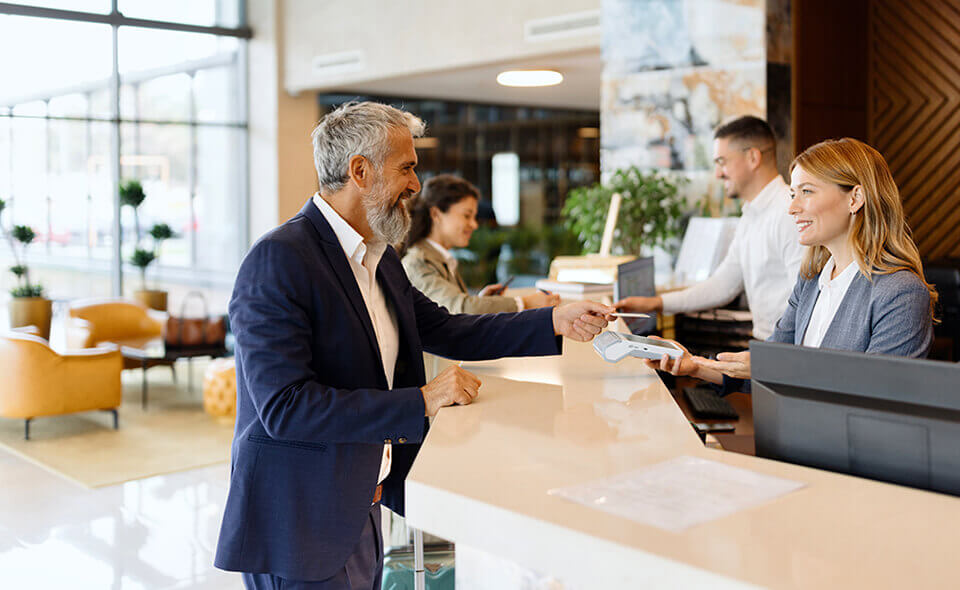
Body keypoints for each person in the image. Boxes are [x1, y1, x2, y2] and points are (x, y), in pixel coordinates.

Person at [213, 101, 615, 590]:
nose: (416, 185)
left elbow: (449, 329)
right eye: (406, 167)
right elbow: (285, 407)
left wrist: (555, 320)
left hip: (361, 497)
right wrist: (422, 400)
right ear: (359, 171)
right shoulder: (278, 260)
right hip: (300, 517)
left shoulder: (378, 257)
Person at [648, 137, 937, 389]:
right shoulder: (811, 281)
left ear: (855, 198)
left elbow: (877, 390)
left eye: (807, 192)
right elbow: (769, 363)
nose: (792, 208)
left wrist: (773, 367)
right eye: (792, 194)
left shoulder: (901, 292)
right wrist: (695, 365)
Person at [616, 116, 804, 340]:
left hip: (781, 351)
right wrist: (657, 303)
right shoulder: (751, 215)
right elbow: (723, 285)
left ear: (753, 157)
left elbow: (803, 302)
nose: (717, 173)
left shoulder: (788, 212)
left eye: (722, 161)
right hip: (764, 348)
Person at [399, 174, 560, 313]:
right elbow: (460, 309)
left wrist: (482, 301)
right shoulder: (418, 263)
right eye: (467, 216)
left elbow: (449, 310)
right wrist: (525, 303)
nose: (474, 225)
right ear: (436, 214)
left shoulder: (440, 259)